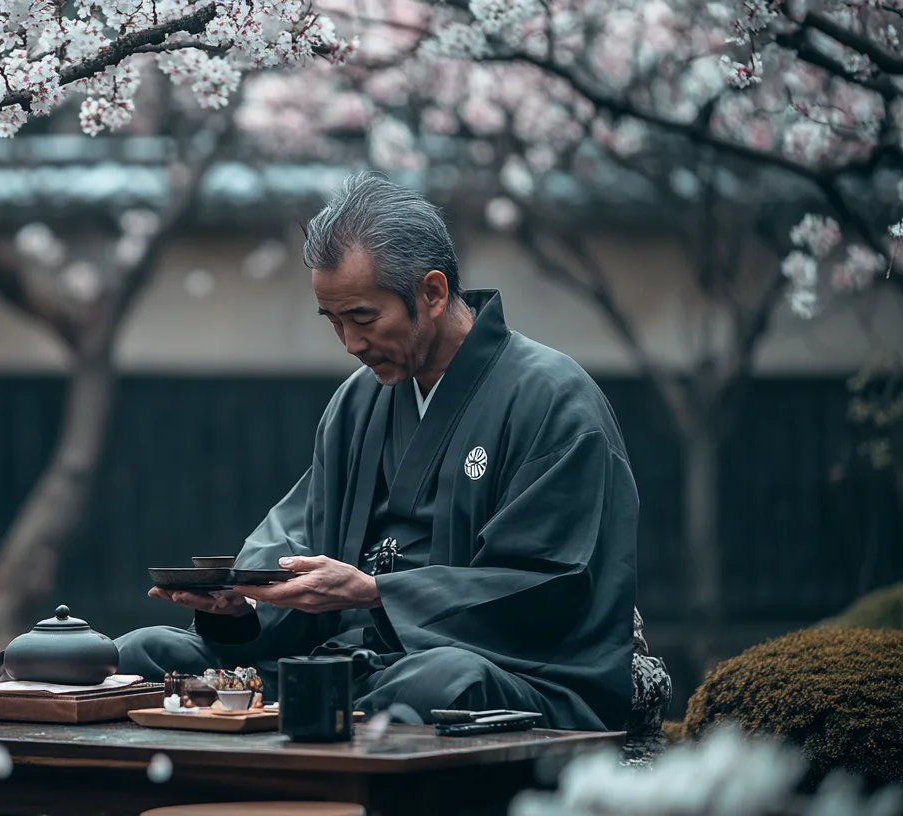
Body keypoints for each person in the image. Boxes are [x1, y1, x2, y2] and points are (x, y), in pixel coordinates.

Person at [116, 171, 657, 733]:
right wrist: (242, 606)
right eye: (334, 322)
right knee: (146, 655)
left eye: (364, 318)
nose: (351, 344)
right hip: (351, 665)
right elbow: (299, 535)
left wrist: (378, 593)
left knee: (444, 681)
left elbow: (553, 585)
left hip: (509, 672)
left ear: (433, 292)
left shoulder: (550, 398)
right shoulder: (359, 401)